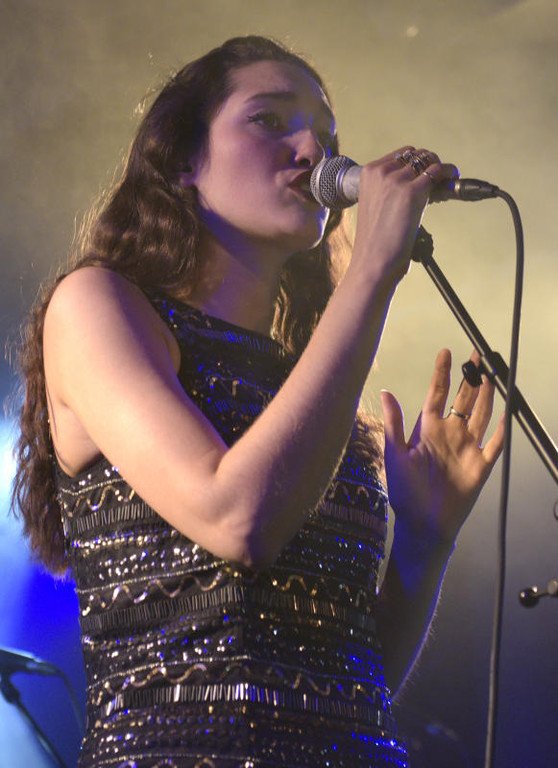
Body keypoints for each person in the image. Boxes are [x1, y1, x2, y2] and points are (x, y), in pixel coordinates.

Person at [11, 36, 504, 768]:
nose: (312, 149)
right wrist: (371, 271)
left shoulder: (308, 382)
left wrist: (426, 544)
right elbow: (237, 519)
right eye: (270, 120)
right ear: (183, 160)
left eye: (326, 135)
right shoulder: (97, 307)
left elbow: (353, 681)